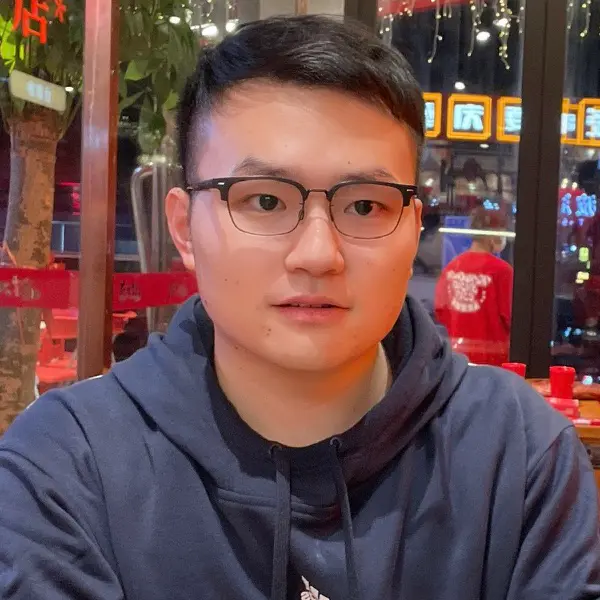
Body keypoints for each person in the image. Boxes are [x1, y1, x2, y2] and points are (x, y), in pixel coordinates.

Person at [1, 15, 599, 600]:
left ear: (413, 227)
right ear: (184, 228)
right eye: (265, 201)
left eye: (365, 206)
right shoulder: (67, 469)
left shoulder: (519, 458)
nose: (318, 254)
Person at [434, 207, 514, 366]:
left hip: (457, 359)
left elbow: (441, 312)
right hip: (494, 361)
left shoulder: (453, 267)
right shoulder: (502, 271)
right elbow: (512, 318)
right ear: (492, 235)